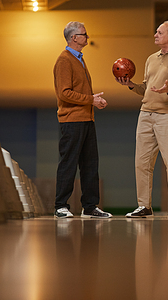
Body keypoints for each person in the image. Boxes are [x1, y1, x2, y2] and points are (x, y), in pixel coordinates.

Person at [116, 20, 168, 218]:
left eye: (159, 32)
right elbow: (146, 88)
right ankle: (144, 206)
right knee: (141, 163)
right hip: (145, 115)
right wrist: (131, 85)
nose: (154, 35)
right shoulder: (151, 59)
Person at [53, 21, 112, 219]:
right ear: (74, 38)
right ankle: (61, 205)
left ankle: (90, 206)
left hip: (87, 119)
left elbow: (77, 91)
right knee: (68, 162)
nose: (87, 36)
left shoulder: (79, 59)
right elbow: (64, 93)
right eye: (84, 34)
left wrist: (94, 101)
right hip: (71, 121)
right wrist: (90, 100)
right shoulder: (64, 60)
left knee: (90, 164)